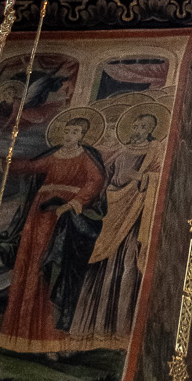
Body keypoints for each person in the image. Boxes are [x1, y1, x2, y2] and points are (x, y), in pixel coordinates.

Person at [0, 112, 108, 354]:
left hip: (61, 215)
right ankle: (20, 334)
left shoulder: (85, 157)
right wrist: (5, 163)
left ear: (83, 135)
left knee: (46, 266)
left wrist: (72, 203)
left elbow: (95, 181)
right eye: (67, 131)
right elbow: (31, 166)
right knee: (30, 263)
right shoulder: (56, 154)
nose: (69, 135)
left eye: (74, 132)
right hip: (39, 214)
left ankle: (50, 336)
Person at [66, 107, 164, 348]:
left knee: (128, 266)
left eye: (144, 127)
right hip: (112, 214)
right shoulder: (120, 151)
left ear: (152, 129)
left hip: (134, 216)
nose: (138, 130)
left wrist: (141, 178)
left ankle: (121, 334)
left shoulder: (155, 151)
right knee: (101, 267)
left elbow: (161, 180)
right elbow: (105, 179)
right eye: (136, 126)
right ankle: (88, 331)